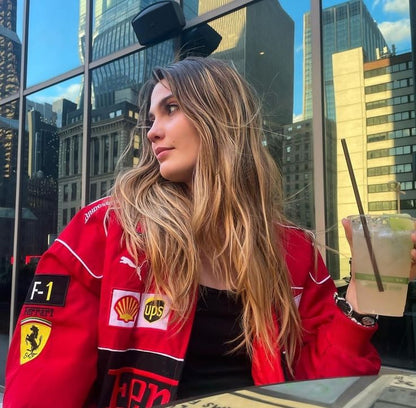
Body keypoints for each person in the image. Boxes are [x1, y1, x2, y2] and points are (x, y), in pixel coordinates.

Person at [4, 57, 416, 408]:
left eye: (171, 109)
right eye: (151, 118)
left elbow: (323, 389)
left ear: (220, 117)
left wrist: (360, 295)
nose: (152, 131)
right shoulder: (103, 231)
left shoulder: (294, 251)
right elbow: (39, 391)